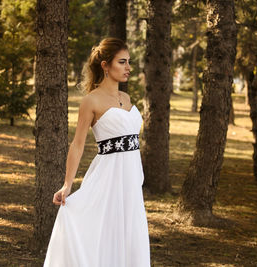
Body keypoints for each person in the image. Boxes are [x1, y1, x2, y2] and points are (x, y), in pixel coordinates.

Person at [43, 38, 150, 267]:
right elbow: (78, 144)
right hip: (108, 179)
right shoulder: (91, 101)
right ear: (105, 65)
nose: (128, 68)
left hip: (131, 180)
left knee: (129, 235)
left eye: (128, 62)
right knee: (103, 234)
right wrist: (67, 184)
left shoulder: (126, 98)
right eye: (122, 62)